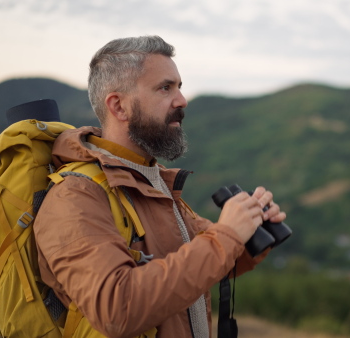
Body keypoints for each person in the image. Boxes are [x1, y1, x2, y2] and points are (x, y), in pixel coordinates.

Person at [33, 35, 286, 338]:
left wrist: (250, 235)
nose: (182, 100)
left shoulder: (152, 180)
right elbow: (117, 309)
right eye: (165, 88)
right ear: (119, 106)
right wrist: (227, 236)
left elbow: (195, 264)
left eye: (179, 86)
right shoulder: (75, 196)